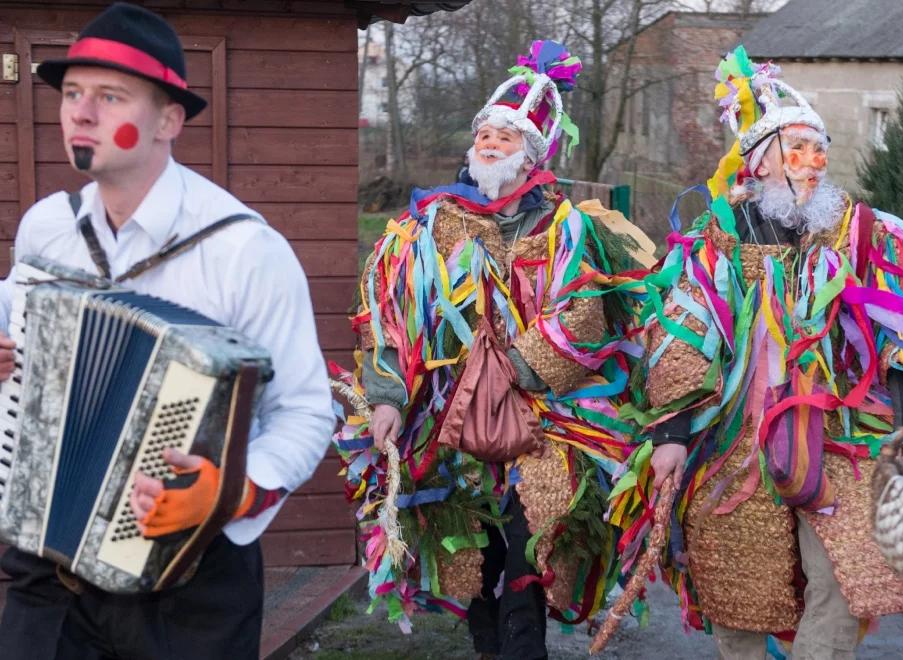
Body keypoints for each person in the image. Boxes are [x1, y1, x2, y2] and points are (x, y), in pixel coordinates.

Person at [625, 47, 903, 660]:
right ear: (759, 163)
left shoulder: (863, 231)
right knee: (735, 591)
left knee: (847, 576)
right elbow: (684, 336)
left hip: (844, 431)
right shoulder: (719, 239)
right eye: (797, 150)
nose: (814, 164)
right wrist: (673, 435)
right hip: (736, 441)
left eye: (820, 150)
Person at [0, 4, 334, 658]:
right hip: (46, 568)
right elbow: (16, 324)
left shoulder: (245, 252)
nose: (81, 113)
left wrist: (229, 495)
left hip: (187, 587)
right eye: (72, 94)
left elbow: (305, 411)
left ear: (170, 121)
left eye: (110, 96)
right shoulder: (48, 227)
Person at [332, 41, 648, 660]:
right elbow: (391, 319)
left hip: (545, 424)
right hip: (448, 425)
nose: (493, 144)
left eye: (508, 137)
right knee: (472, 555)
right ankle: (489, 648)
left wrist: (515, 372)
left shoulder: (563, 227)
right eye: (487, 134)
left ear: (531, 154)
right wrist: (389, 400)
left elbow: (583, 314)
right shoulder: (428, 225)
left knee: (529, 551)